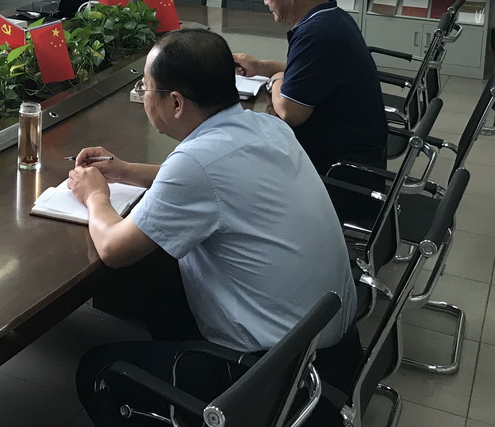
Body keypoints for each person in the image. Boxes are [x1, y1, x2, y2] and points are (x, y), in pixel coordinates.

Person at [69, 30, 359, 426]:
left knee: (99, 371)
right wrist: (125, 171)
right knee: (163, 305)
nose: (143, 96)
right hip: (333, 352)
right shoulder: (267, 127)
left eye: (146, 88)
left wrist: (94, 196)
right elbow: (215, 179)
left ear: (175, 103)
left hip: (277, 380)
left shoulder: (197, 162)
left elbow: (113, 249)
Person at [233, 0, 387, 174]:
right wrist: (261, 67)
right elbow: (311, 73)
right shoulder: (332, 17)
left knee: (241, 155)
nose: (265, 0)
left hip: (339, 169)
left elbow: (289, 112)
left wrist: (275, 79)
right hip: (351, 152)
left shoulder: (316, 33)